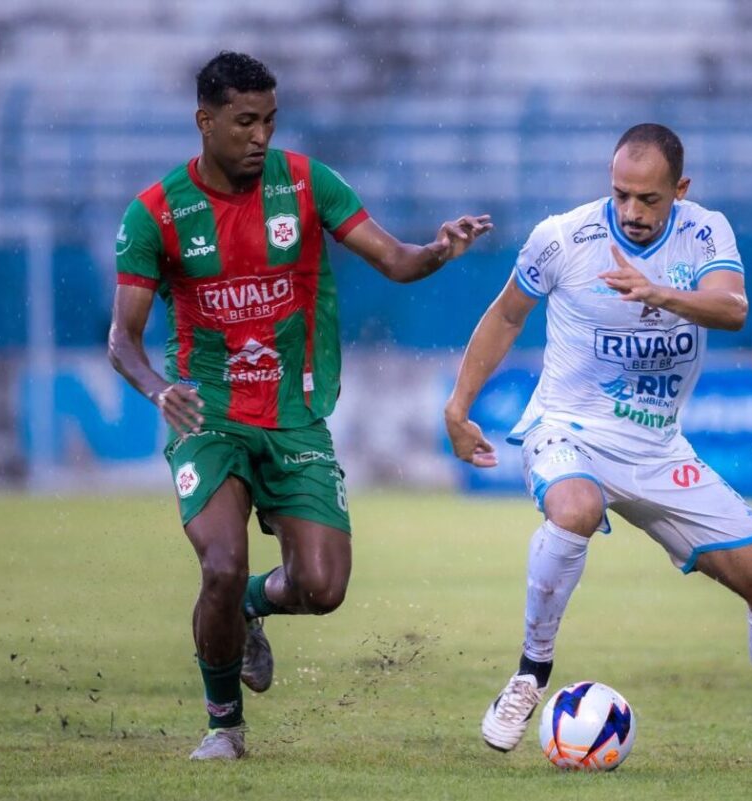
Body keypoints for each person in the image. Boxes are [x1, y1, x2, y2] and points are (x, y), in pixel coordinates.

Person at [108, 51, 492, 761]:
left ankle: (250, 605)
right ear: (205, 121)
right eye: (245, 122)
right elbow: (121, 341)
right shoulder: (155, 213)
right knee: (220, 563)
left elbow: (397, 260)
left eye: (270, 120)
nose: (261, 136)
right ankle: (224, 726)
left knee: (323, 586)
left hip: (294, 415)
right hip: (208, 416)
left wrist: (439, 250)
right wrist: (159, 389)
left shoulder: (309, 183)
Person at [444, 123, 752, 770]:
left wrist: (658, 291)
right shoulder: (562, 237)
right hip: (570, 430)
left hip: (659, 451)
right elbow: (506, 315)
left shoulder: (706, 232)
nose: (632, 211)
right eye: (621, 195)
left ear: (680, 189)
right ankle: (529, 674)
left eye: (649, 198)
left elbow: (732, 308)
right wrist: (458, 406)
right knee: (576, 509)